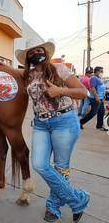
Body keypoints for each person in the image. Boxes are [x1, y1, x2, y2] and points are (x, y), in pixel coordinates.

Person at [16, 42, 90, 223]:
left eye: (39, 51)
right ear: (27, 58)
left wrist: (60, 90)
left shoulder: (59, 69)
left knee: (60, 167)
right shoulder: (27, 75)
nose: (36, 54)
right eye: (31, 52)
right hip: (41, 124)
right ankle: (78, 199)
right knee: (39, 165)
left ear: (46, 53)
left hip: (64, 121)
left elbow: (83, 92)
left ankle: (53, 207)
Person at [80, 66, 107, 131]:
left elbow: (101, 88)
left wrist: (103, 96)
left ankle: (99, 126)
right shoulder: (94, 78)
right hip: (95, 98)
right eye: (101, 71)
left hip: (100, 98)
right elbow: (93, 88)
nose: (102, 73)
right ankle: (80, 122)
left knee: (101, 112)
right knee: (93, 113)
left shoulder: (99, 78)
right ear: (97, 71)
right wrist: (96, 97)